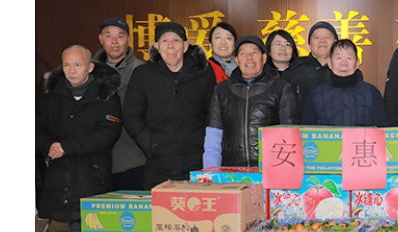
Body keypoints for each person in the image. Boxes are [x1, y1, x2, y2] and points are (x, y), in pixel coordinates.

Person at [36, 45, 122, 232]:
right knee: (74, 222)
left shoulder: (106, 97)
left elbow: (107, 133)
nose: (71, 70)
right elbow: (36, 127)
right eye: (66, 65)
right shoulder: (53, 97)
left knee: (95, 223)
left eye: (77, 64)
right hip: (62, 173)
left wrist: (66, 147)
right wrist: (48, 145)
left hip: (93, 172)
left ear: (90, 67)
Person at [123, 22, 217, 189]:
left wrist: (205, 145)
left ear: (185, 46)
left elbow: (214, 113)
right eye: (165, 41)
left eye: (176, 40)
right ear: (157, 46)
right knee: (161, 205)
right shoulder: (143, 75)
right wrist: (151, 144)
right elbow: (131, 116)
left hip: (198, 161)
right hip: (159, 163)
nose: (170, 45)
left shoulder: (203, 73)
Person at [203, 36, 298, 168]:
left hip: (268, 170)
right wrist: (211, 171)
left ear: (264, 58)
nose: (249, 57)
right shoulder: (222, 90)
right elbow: (214, 135)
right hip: (231, 171)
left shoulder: (280, 88)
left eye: (254, 52)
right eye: (243, 53)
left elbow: (290, 134)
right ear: (237, 60)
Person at [93, 17, 147, 190]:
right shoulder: (88, 71)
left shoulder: (143, 71)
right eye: (108, 36)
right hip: (94, 161)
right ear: (101, 39)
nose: (114, 41)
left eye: (120, 36)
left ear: (129, 40)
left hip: (133, 159)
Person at [303, 39, 389, 127]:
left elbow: (382, 129)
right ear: (330, 63)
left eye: (349, 58)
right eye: (338, 58)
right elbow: (306, 131)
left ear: (357, 63)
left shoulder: (371, 93)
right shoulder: (316, 95)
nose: (344, 63)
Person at [282, 21, 338, 113]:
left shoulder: (344, 70)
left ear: (335, 42)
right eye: (317, 37)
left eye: (327, 37)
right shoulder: (293, 70)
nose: (322, 41)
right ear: (310, 43)